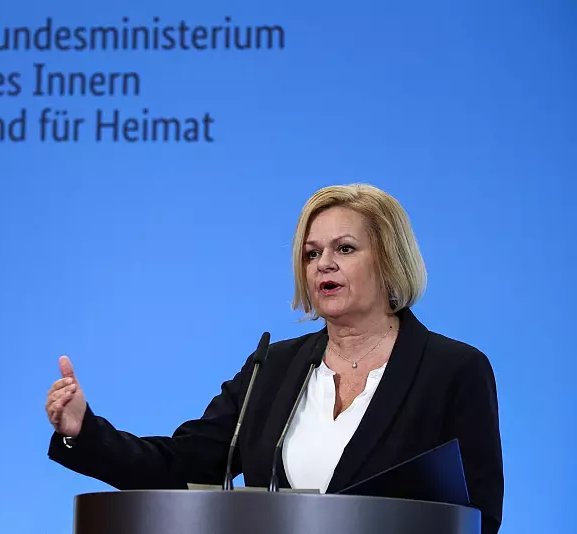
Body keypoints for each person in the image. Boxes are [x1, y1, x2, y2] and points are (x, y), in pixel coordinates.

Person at [45, 183, 504, 534]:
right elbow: (182, 463)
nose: (323, 264)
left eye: (344, 249)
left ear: (388, 259)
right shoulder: (273, 368)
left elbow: (479, 516)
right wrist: (82, 432)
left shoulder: (452, 370)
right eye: (311, 253)